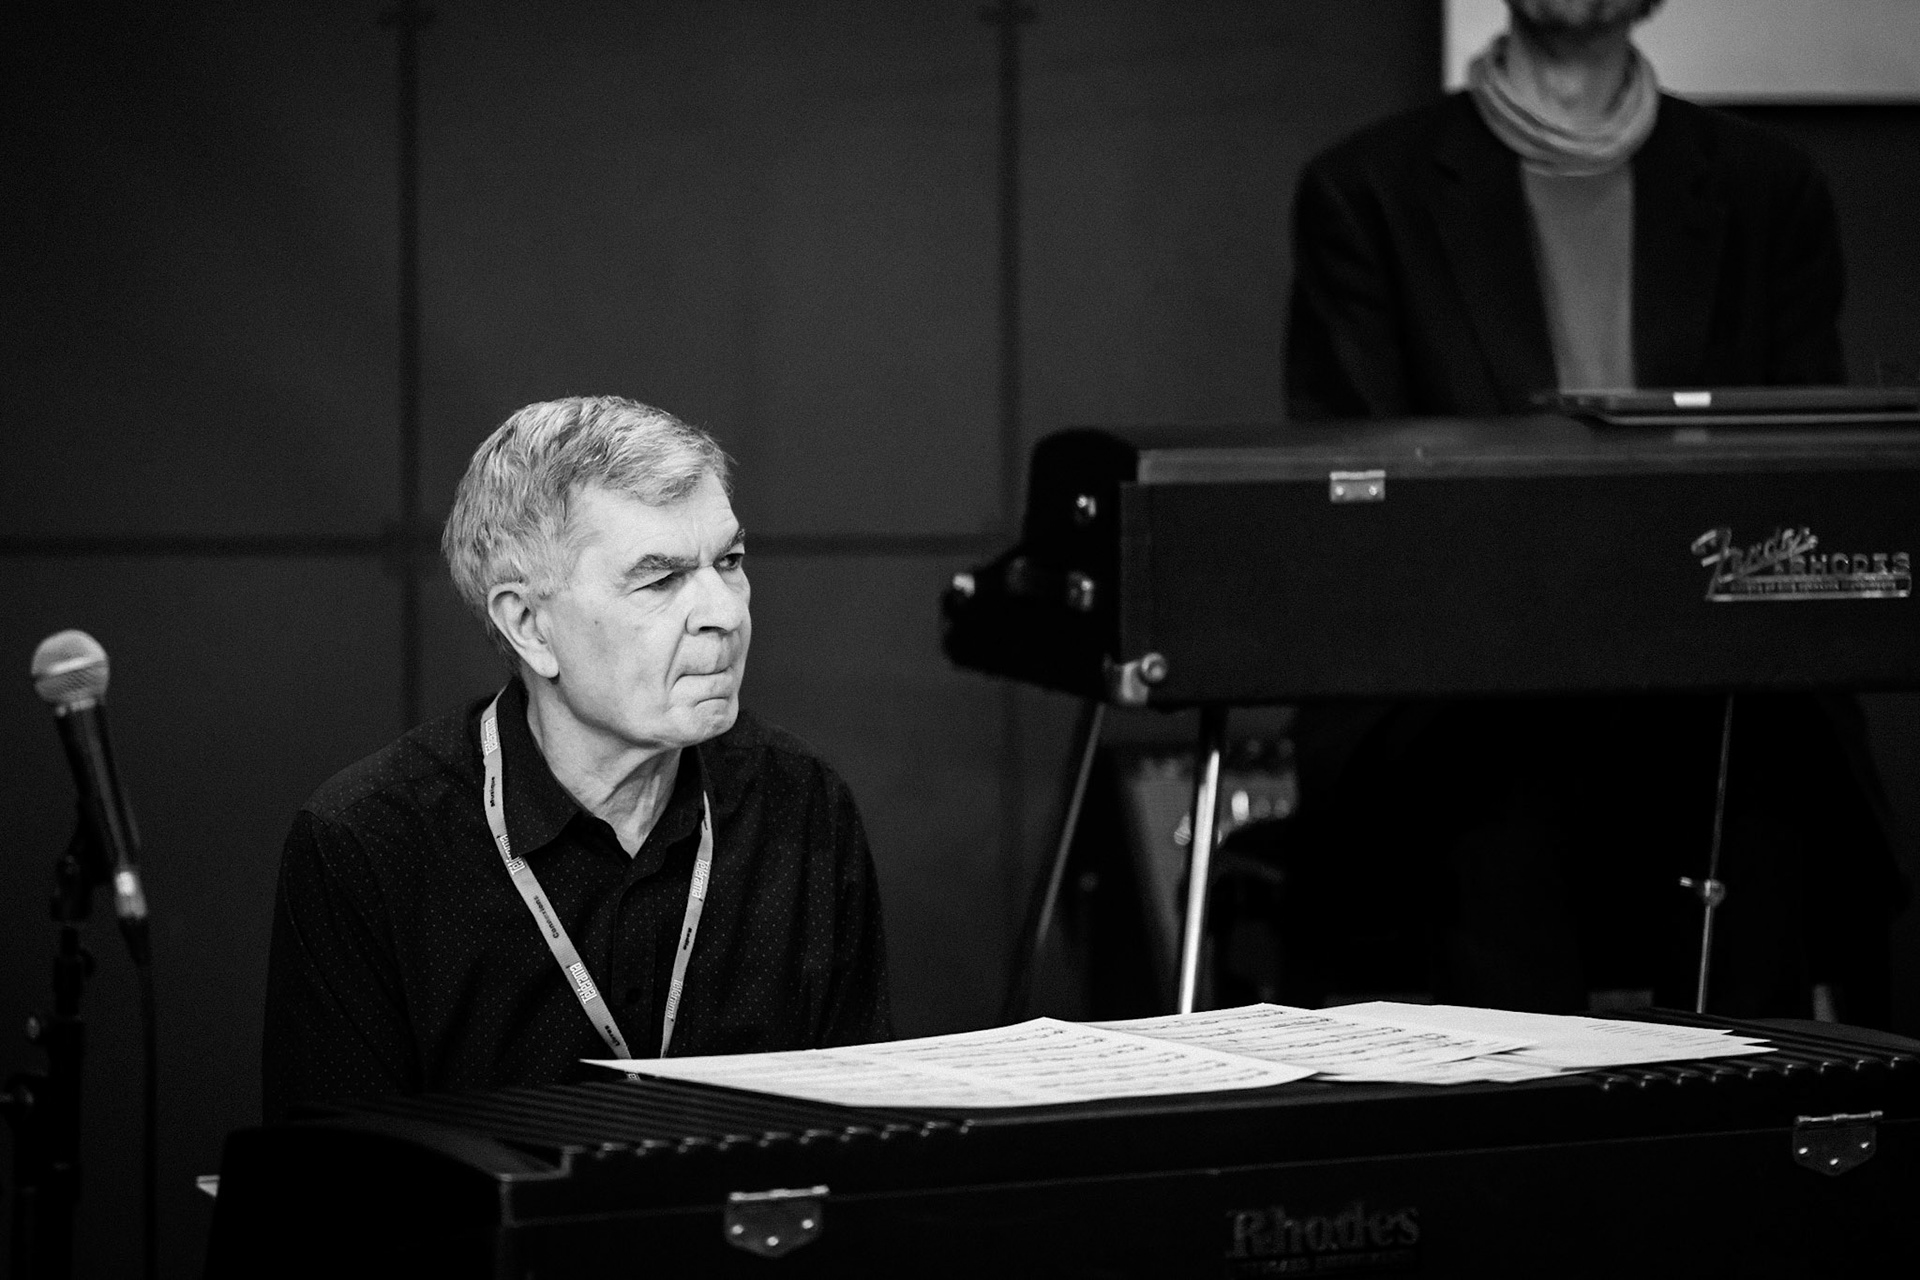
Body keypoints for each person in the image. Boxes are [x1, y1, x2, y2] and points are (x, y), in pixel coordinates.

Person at [1279, 0, 1905, 1022]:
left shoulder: (1766, 187)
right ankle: (1519, 1156)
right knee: (1489, 792)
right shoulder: (1366, 188)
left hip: (1713, 674)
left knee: (1764, 781)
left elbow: (1805, 475)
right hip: (1468, 684)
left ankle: (1737, 1148)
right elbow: (1364, 506)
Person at [264, 396, 890, 1119]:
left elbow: (866, 1151)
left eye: (731, 561)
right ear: (529, 625)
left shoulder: (803, 806)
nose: (724, 612)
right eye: (661, 580)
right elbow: (329, 1190)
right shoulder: (372, 843)